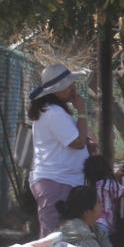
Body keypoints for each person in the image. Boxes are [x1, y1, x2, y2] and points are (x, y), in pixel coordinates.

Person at [28, 63, 93, 236]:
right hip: (55, 183)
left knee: (64, 238)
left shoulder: (56, 111)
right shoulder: (53, 112)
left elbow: (79, 139)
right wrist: (82, 111)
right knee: (52, 239)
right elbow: (78, 142)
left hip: (62, 182)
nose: (73, 89)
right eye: (68, 86)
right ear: (56, 91)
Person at [83, 154, 123, 236]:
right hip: (106, 224)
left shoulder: (89, 185)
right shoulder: (111, 184)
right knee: (105, 245)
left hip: (91, 221)